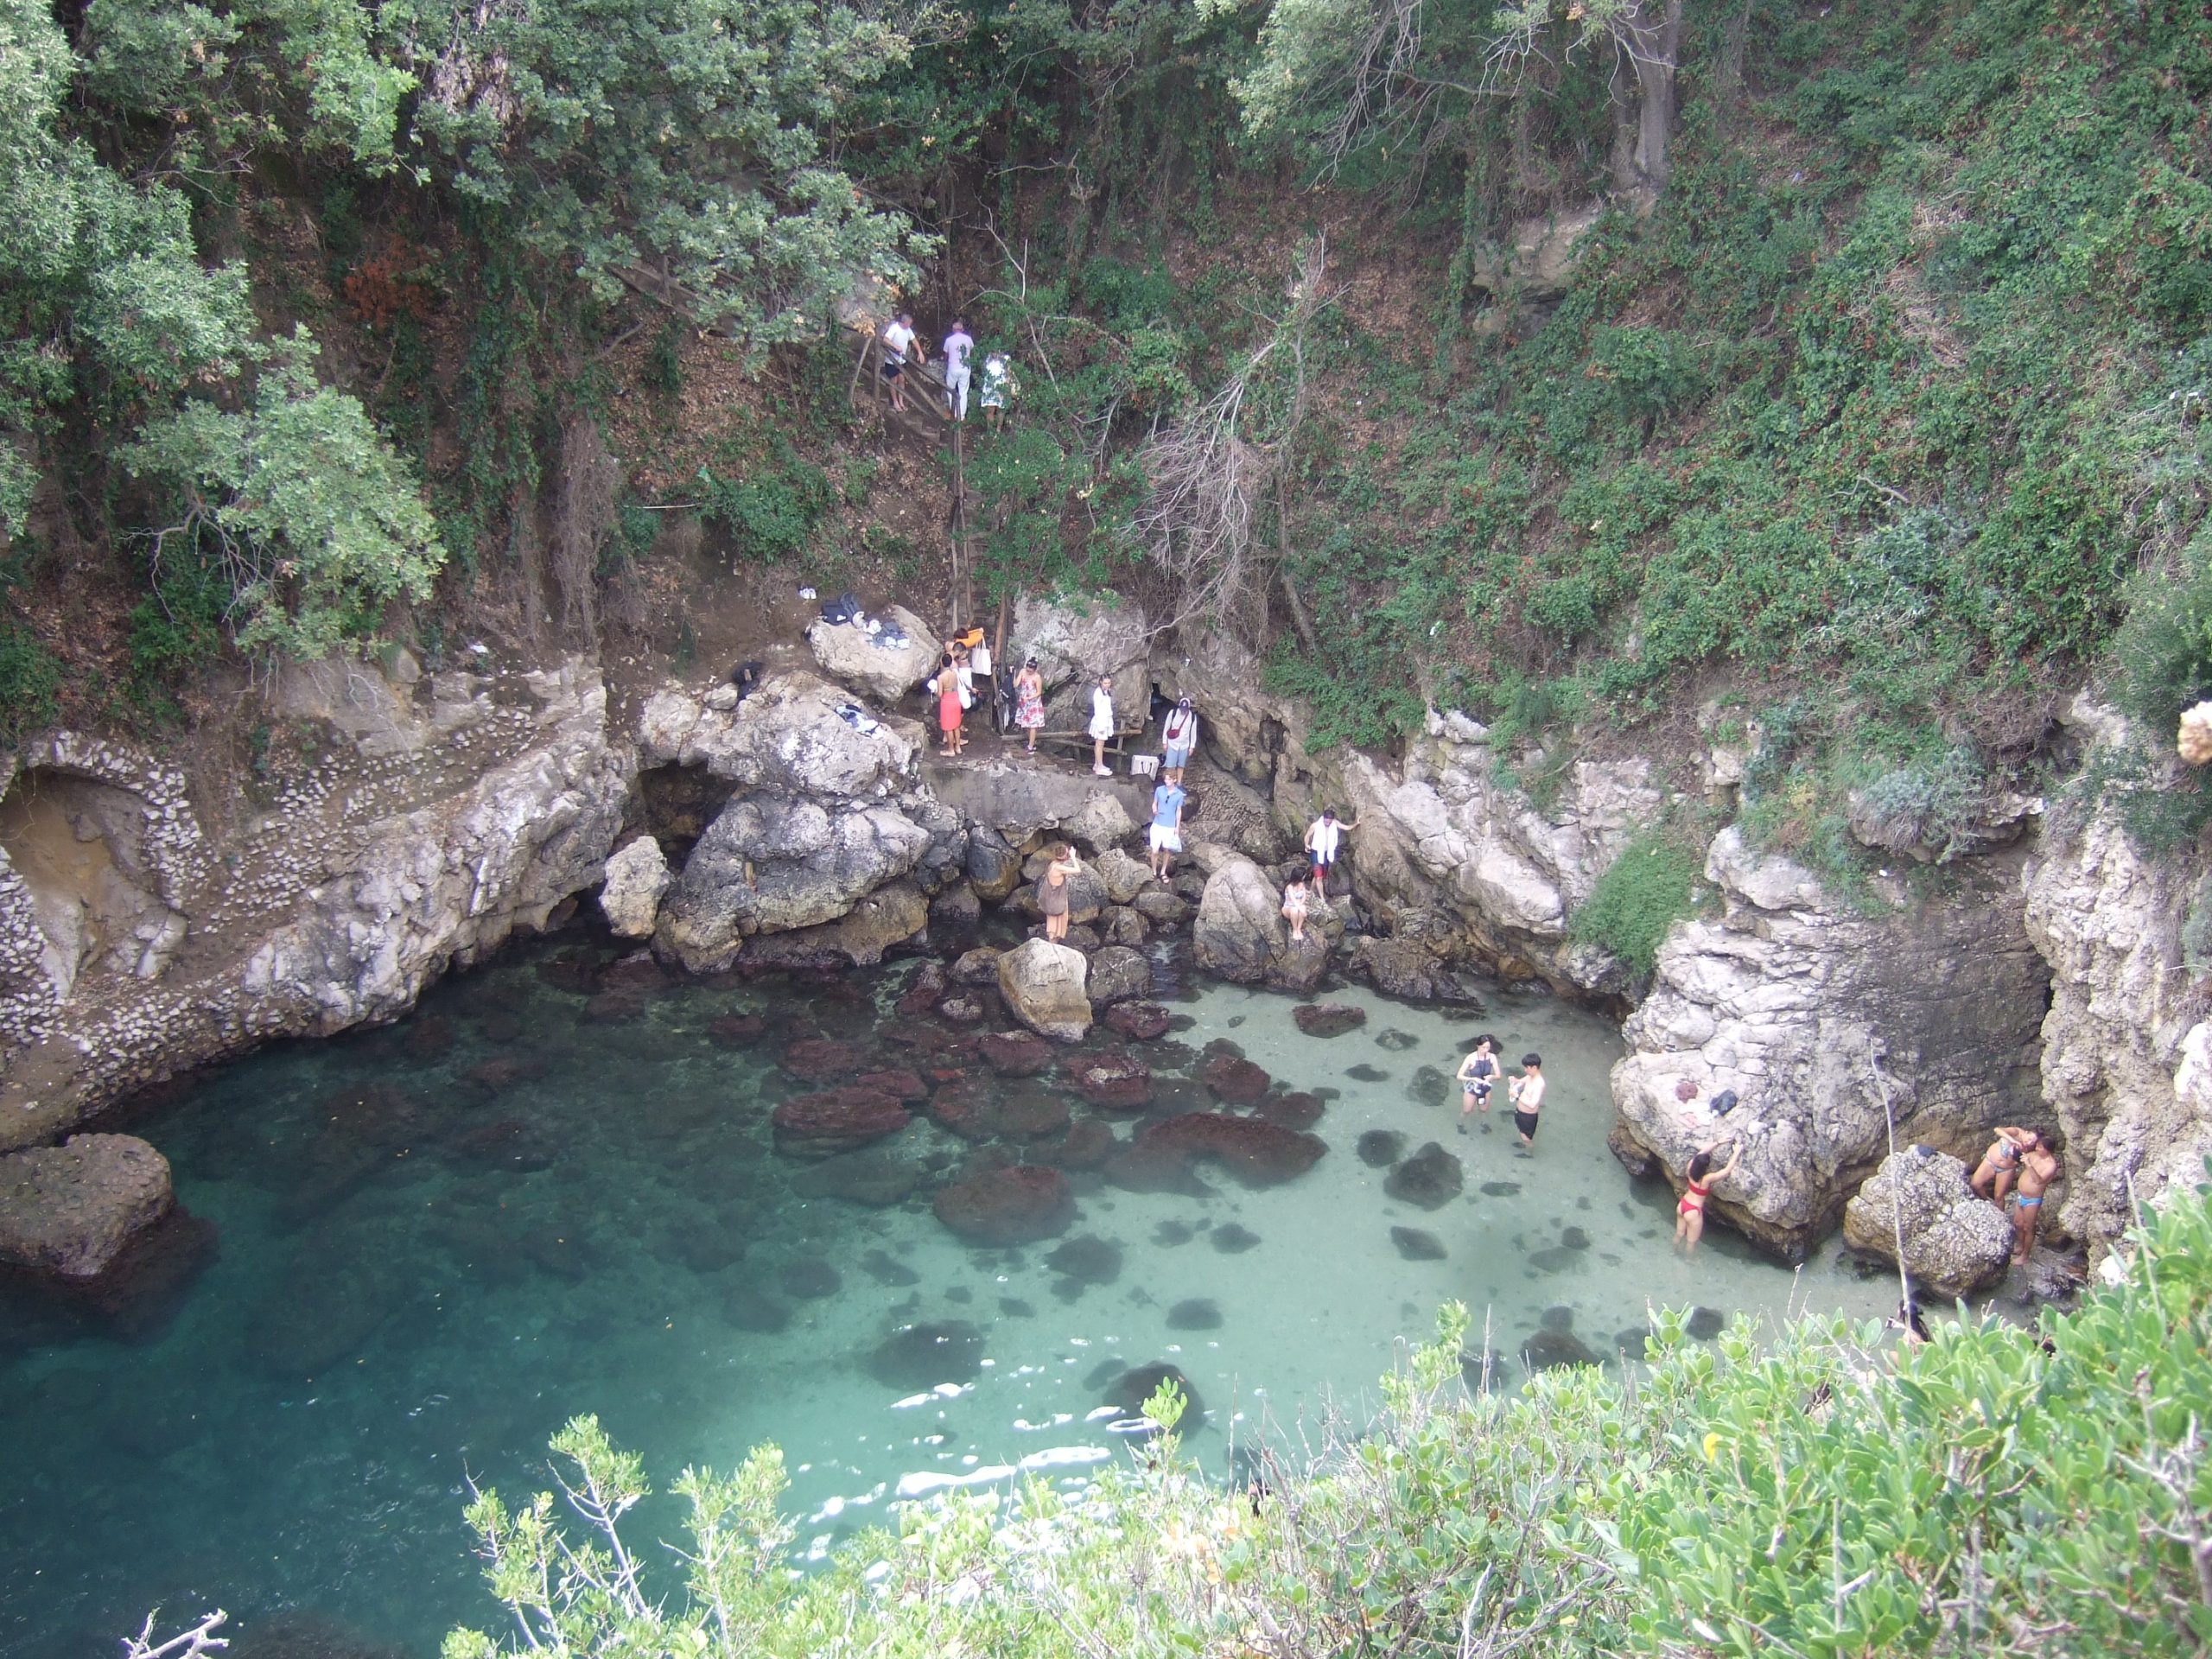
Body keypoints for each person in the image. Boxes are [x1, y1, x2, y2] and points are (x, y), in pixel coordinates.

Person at [1675, 1140, 1742, 1254]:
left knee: (1679, 1233)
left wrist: (1718, 1142)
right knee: (1691, 1242)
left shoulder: (1690, 1168)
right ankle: (1688, 1263)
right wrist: (1737, 1152)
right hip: (1693, 1212)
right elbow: (1726, 1171)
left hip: (1682, 1205)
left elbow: (1701, 1153)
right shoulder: (1706, 1179)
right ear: (1706, 1167)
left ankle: (1674, 1252)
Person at [2009, 1131, 2060, 1265]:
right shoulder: (2034, 1155)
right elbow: (2020, 1158)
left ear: (2048, 1150)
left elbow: (2038, 1180)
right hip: (2021, 1195)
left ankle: (2025, 1256)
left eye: (2040, 1147)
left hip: (2032, 1200)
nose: (2037, 1149)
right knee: (2018, 1224)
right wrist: (2017, 1150)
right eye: (2037, 1146)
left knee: (2028, 1227)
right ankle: (2020, 1246)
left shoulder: (2051, 1165)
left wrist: (2029, 1165)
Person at [1970, 1125, 2037, 1203]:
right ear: (2026, 1132)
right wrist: (2011, 1140)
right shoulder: (2016, 1132)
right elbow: (1997, 1129)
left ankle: (1999, 1213)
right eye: (2029, 1139)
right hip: (1990, 1162)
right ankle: (1987, 1201)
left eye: (2032, 1142)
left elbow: (2025, 1160)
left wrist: (2018, 1154)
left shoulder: (2031, 1148)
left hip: (2006, 1170)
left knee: (1999, 1196)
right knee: (1975, 1184)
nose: (2029, 1143)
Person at [1304, 808, 1361, 896]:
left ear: (1332, 820)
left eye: (1329, 822)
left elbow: (1346, 827)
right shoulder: (1315, 825)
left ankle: (1311, 890)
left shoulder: (1335, 823)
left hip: (1327, 853)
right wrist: (1307, 845)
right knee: (1319, 876)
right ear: (1323, 818)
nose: (1328, 824)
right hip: (1316, 852)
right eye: (1326, 822)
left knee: (1320, 875)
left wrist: (1356, 824)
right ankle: (1322, 898)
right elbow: (1307, 836)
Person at [1455, 1034, 1500, 1134]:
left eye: (1488, 1047)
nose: (1486, 1050)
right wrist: (1473, 1079)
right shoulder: (1470, 1058)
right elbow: (1459, 1075)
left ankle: (1483, 1123)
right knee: (1467, 1110)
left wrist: (1491, 1077)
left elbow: (1498, 1075)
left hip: (1485, 1087)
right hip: (1472, 1088)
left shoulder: (1492, 1057)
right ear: (1478, 1046)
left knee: (1483, 1109)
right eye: (1484, 1047)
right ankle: (1460, 1123)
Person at [1039, 842, 1082, 943]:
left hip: (1051, 897)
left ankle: (1053, 943)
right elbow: (1078, 870)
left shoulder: (1052, 864)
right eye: (1067, 854)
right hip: (1057, 899)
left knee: (1053, 922)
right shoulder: (1059, 868)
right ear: (1063, 856)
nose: (1068, 856)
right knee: (1055, 925)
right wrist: (1073, 858)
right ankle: (1053, 945)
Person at [1147, 771, 1185, 881]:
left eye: (1169, 779)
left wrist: (1177, 827)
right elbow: (1155, 802)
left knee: (1167, 850)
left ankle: (1163, 872)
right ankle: (1154, 871)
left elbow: (1179, 811)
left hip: (1169, 826)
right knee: (1154, 850)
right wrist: (1154, 808)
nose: (1166, 781)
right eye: (1165, 779)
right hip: (1157, 824)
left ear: (1174, 780)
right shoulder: (1159, 790)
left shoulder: (1179, 795)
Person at [880, 312, 921, 413]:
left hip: (902, 360)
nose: (910, 325)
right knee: (893, 381)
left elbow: (914, 340)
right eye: (909, 323)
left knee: (902, 380)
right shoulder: (894, 328)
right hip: (891, 360)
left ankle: (901, 401)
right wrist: (895, 346)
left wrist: (920, 352)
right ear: (904, 322)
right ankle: (895, 402)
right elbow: (885, 339)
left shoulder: (908, 330)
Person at [1506, 1052, 1546, 1150]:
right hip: (1520, 1112)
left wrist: (1516, 1096)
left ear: (1534, 1068)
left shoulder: (1539, 1084)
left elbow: (1532, 1104)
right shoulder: (1530, 1076)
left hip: (1528, 1117)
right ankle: (1524, 1144)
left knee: (1526, 1138)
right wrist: (1514, 1080)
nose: (1525, 1070)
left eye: (1527, 1068)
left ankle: (1529, 1152)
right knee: (1522, 1132)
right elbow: (1521, 1081)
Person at [941, 318, 975, 420]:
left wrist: (946, 361)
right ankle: (962, 415)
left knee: (950, 389)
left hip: (953, 368)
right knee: (963, 391)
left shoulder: (949, 340)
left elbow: (946, 354)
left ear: (953, 330)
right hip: (965, 368)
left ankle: (954, 412)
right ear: (962, 329)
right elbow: (971, 351)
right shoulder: (968, 339)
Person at [979, 351, 1020, 432]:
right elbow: (984, 371)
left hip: (1001, 386)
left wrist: (1006, 387)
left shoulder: (1006, 359)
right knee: (990, 409)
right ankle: (990, 430)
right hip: (989, 387)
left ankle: (998, 430)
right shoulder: (988, 358)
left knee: (1001, 409)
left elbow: (1009, 374)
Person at [935, 652, 965, 756]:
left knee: (948, 727)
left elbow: (940, 694)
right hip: (955, 699)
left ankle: (951, 750)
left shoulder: (941, 677)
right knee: (956, 726)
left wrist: (934, 690)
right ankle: (958, 747)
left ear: (942, 663)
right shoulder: (955, 674)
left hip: (947, 701)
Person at [1014, 656, 1046, 753]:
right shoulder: (1023, 672)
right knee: (1027, 723)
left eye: (1031, 670)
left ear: (1035, 670)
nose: (1028, 671)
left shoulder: (1037, 677)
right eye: (1028, 669)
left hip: (1033, 702)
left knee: (1033, 725)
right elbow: (1016, 684)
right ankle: (1030, 742)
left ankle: (1031, 746)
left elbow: (1039, 692)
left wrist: (1029, 698)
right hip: (1024, 700)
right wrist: (1014, 675)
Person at [1161, 696, 1198, 776]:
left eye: (1185, 709)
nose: (1183, 711)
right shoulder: (1173, 713)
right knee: (1170, 766)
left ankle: (1178, 783)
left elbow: (1193, 733)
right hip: (1172, 743)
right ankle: (1170, 781)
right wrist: (1165, 742)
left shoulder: (1192, 717)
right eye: (1182, 709)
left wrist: (1192, 747)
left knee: (1181, 766)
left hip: (1184, 745)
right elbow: (1166, 728)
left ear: (1188, 708)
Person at [1089, 674, 1116, 777]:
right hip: (1101, 721)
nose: (1107, 685)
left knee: (1101, 743)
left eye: (1109, 683)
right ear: (1101, 682)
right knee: (1099, 744)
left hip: (1106, 719)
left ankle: (1098, 764)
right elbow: (1098, 710)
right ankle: (1099, 766)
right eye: (1105, 683)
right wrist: (1101, 725)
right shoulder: (1098, 693)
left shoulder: (1106, 691)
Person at [1281, 875, 1310, 942]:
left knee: (1303, 907)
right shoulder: (1289, 887)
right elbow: (1293, 899)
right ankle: (1294, 929)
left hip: (1299, 905)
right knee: (1295, 910)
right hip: (1288, 907)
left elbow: (1304, 897)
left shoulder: (1302, 884)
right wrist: (1301, 909)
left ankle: (1299, 929)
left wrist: (1301, 905)